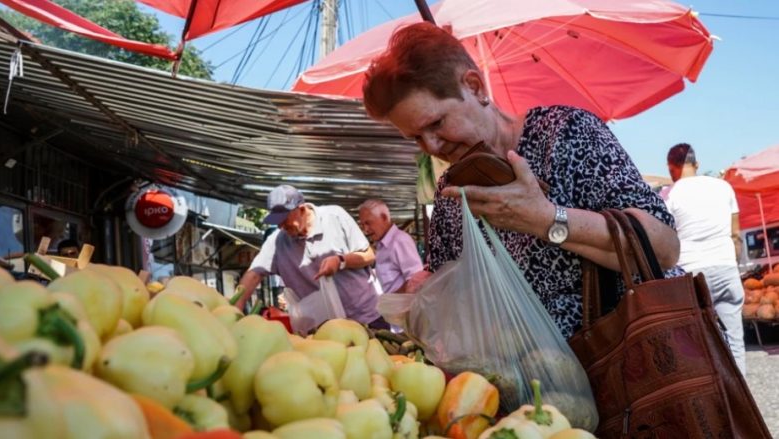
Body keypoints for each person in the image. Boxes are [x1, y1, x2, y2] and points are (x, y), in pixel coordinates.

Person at [361, 22, 681, 339]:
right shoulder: (449, 196)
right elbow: (456, 294)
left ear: (474, 87)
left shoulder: (565, 135)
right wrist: (427, 290)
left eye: (436, 123)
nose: (431, 146)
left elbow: (664, 247)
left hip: (627, 366)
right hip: (528, 385)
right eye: (416, 137)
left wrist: (544, 219)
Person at [235, 185, 386, 328]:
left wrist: (341, 261)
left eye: (284, 219)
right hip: (324, 329)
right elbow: (253, 274)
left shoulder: (335, 217)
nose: (281, 226)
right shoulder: (277, 241)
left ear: (301, 209)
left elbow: (369, 255)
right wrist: (234, 311)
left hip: (367, 317)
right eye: (277, 222)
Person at [665, 143, 746, 374]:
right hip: (725, 267)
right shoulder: (723, 187)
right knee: (735, 341)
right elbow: (735, 235)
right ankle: (742, 402)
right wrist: (733, 266)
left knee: (698, 346)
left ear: (671, 168)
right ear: (696, 164)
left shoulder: (670, 195)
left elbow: (668, 241)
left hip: (690, 274)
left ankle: (713, 400)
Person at [358, 199, 423, 294]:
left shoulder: (400, 241)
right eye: (363, 225)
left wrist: (391, 299)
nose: (365, 229)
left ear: (384, 217)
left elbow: (416, 281)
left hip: (405, 306)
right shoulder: (381, 245)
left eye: (368, 223)